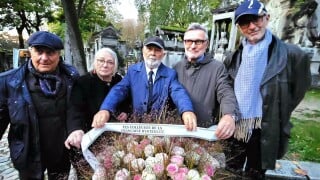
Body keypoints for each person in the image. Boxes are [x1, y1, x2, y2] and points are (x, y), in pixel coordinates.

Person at [223, 0, 311, 178]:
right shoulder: (232, 57)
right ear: (240, 28)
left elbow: (297, 91)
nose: (252, 26)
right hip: (235, 125)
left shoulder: (293, 55)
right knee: (230, 171)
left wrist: (275, 110)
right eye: (245, 22)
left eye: (256, 19)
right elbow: (228, 88)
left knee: (255, 174)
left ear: (267, 18)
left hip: (264, 127)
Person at [0, 31, 84, 179]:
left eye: (50, 53)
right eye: (39, 52)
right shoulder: (9, 82)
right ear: (30, 52)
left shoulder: (71, 78)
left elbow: (75, 109)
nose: (44, 58)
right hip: (28, 153)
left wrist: (76, 129)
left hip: (61, 152)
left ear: (58, 54)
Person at [92, 36, 197, 131]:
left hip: (159, 129)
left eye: (157, 50)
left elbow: (178, 92)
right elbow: (119, 90)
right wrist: (105, 109)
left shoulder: (170, 74)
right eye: (149, 49)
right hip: (136, 128)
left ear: (163, 54)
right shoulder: (133, 71)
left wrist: (187, 110)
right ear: (143, 51)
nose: (152, 53)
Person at [65, 48, 130, 178]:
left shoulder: (119, 81)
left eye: (110, 62)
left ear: (115, 65)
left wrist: (125, 112)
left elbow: (127, 101)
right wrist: (76, 129)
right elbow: (74, 109)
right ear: (95, 62)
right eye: (101, 61)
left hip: (114, 141)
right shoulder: (82, 82)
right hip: (90, 138)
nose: (105, 65)